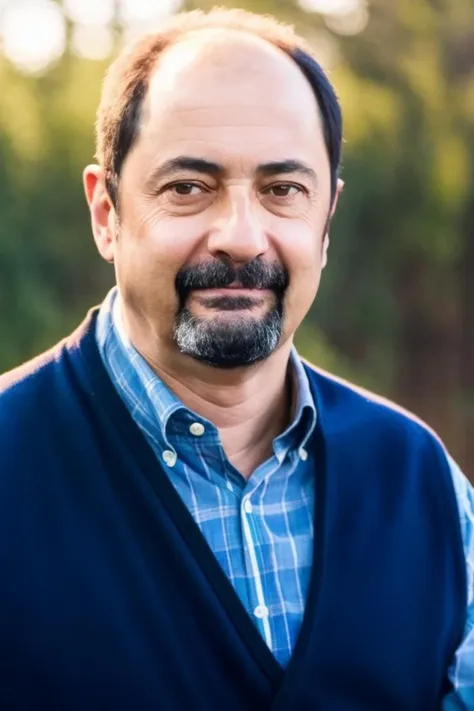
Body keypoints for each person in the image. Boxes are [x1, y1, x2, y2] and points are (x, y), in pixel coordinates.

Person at [0, 7, 472, 710]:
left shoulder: (421, 482)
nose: (242, 237)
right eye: (188, 187)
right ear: (107, 212)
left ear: (326, 221)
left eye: (284, 190)